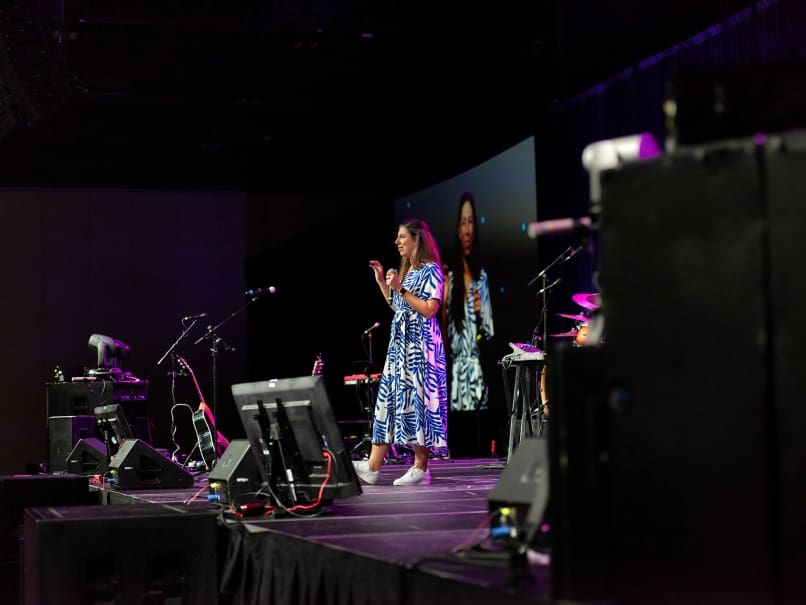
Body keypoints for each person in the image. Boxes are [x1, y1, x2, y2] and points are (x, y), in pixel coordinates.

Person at [353, 218, 448, 486]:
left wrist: (400, 289)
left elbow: (429, 308)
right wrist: (384, 283)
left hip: (421, 346)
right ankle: (372, 466)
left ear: (417, 240)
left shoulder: (431, 270)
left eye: (402, 237)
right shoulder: (409, 272)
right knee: (388, 401)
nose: (397, 242)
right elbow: (400, 306)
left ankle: (421, 467)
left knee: (419, 400)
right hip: (400, 346)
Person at [444, 191, 494, 411]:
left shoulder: (481, 278)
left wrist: (480, 314)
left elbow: (488, 334)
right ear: (458, 229)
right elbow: (443, 336)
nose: (467, 230)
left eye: (471, 222)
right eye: (463, 223)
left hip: (476, 376)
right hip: (454, 378)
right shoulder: (450, 280)